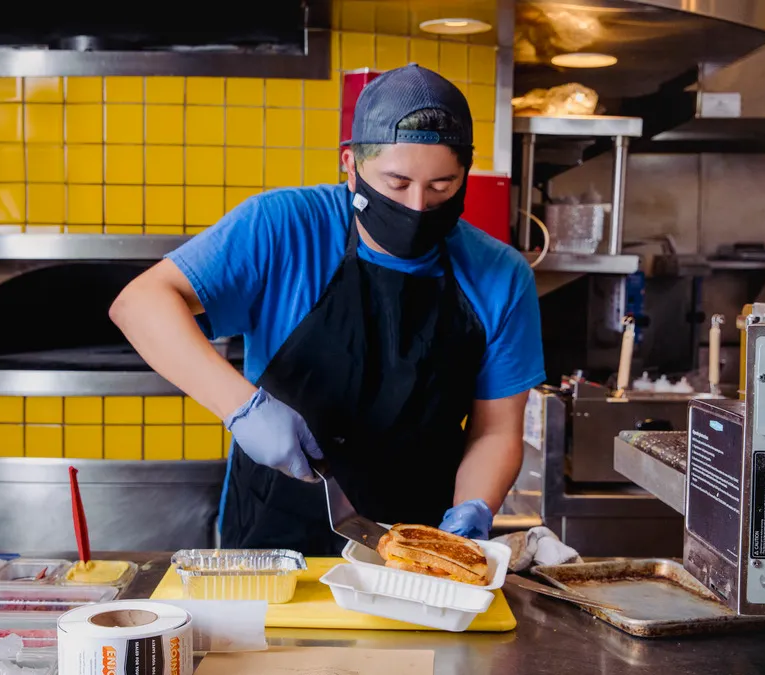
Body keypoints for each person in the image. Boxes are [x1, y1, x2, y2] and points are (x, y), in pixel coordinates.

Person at [110, 64, 545, 555]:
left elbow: (497, 429)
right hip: (274, 540)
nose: (419, 206)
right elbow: (140, 303)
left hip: (418, 550)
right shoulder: (282, 227)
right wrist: (241, 408)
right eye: (397, 183)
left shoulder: (501, 274)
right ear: (350, 164)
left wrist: (472, 514)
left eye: (442, 186)